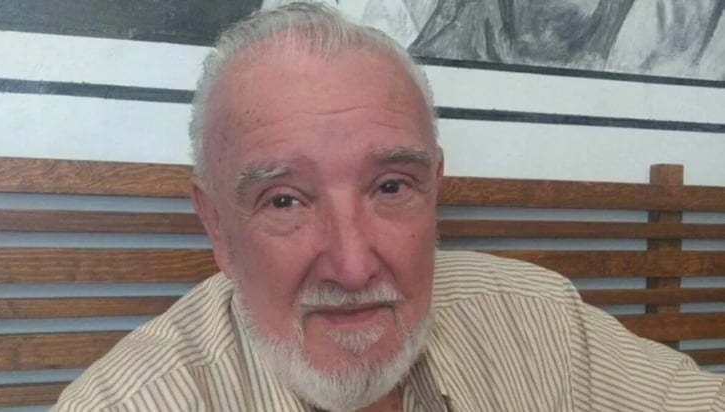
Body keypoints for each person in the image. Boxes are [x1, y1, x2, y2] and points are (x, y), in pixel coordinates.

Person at [51, 3, 725, 411]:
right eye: (284, 199)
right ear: (218, 229)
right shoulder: (131, 402)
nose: (352, 267)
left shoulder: (544, 321)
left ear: (435, 189)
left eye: (391, 187)